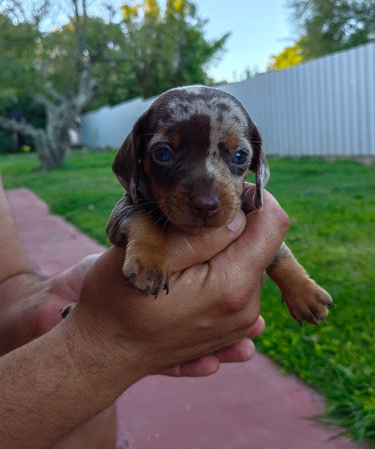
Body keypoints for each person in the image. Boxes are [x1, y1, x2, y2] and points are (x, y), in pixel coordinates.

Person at [0, 171, 289, 448]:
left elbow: (7, 279)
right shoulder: (143, 201)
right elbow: (126, 220)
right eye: (164, 155)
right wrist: (94, 349)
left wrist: (45, 306)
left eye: (238, 156)